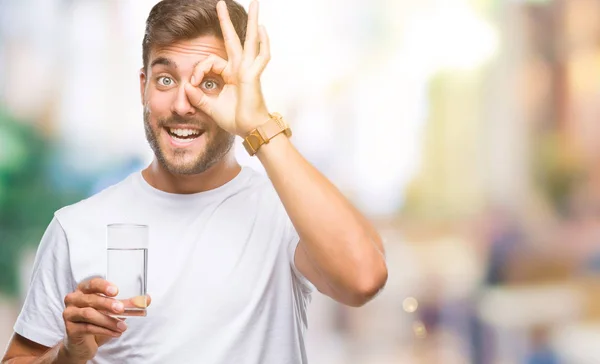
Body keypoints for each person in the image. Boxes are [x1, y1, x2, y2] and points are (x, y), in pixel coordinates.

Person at [1, 0, 388, 363]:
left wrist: (258, 124)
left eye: (209, 83)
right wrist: (69, 353)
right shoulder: (76, 227)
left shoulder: (287, 211)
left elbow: (363, 279)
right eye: (166, 79)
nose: (183, 105)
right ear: (143, 87)